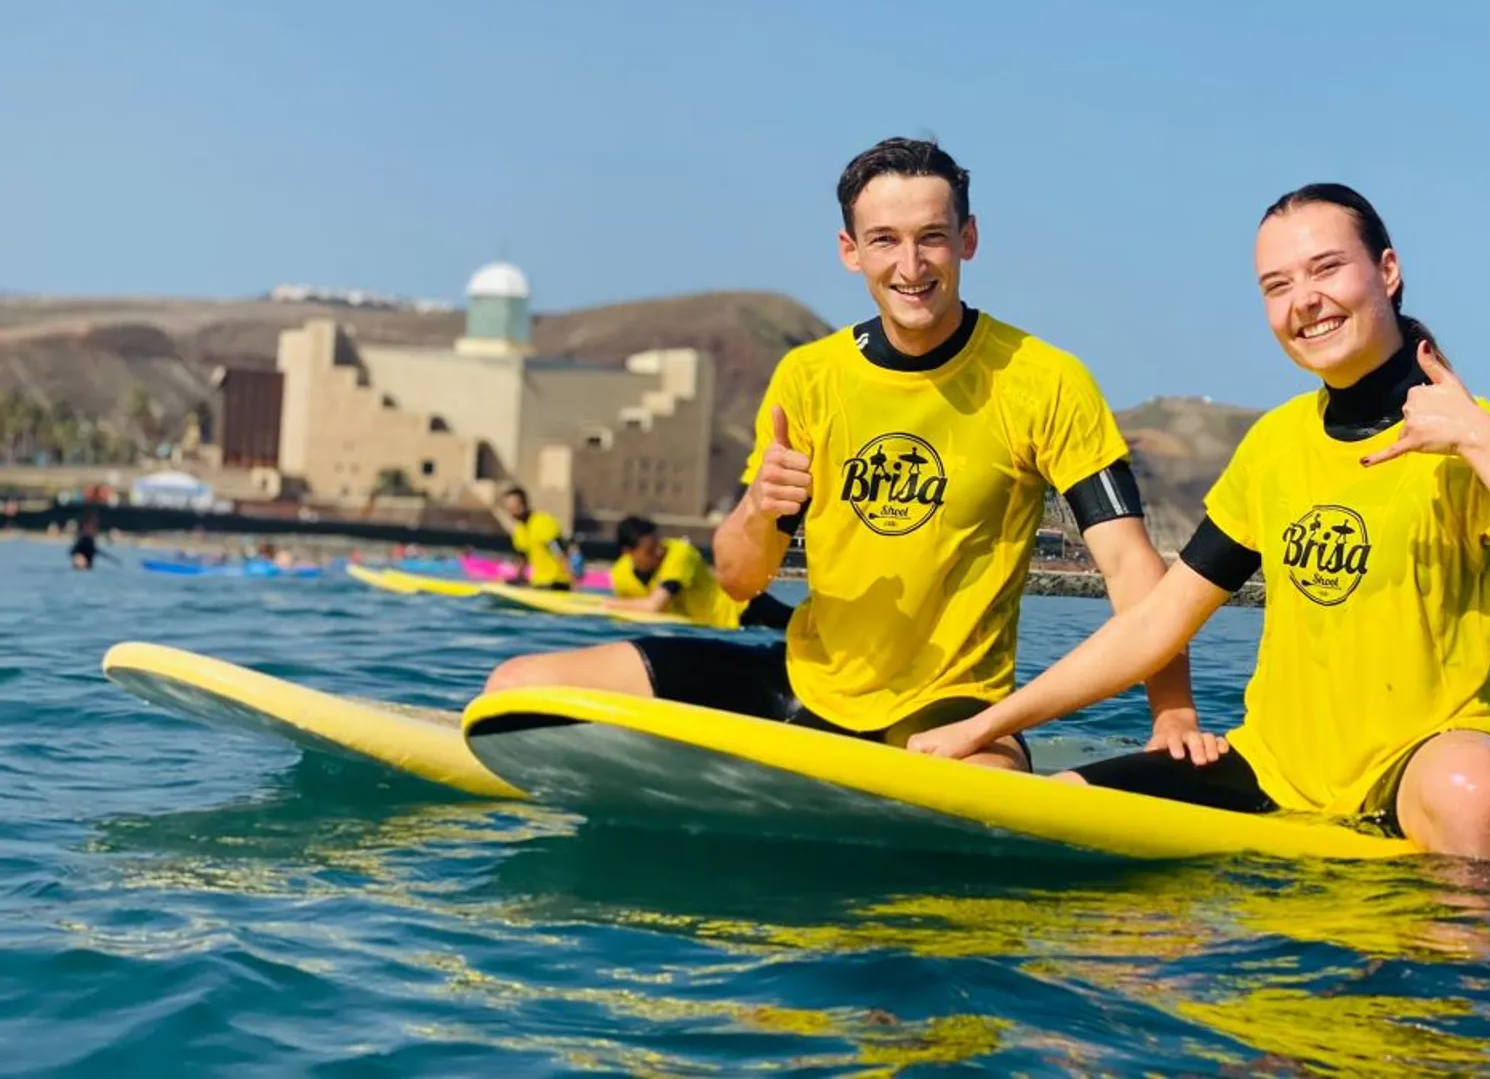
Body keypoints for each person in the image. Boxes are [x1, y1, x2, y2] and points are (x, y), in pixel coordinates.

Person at [908, 182, 1490, 862]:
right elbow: (1154, 624)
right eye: (1278, 285)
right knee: (1041, 814)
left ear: (1387, 271)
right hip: (1274, 769)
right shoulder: (1274, 447)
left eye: (1326, 269)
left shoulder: (1471, 441)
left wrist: (1482, 438)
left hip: (1421, 768)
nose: (1305, 301)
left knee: (1470, 791)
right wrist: (984, 727)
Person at [484, 137, 1207, 769]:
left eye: (931, 237)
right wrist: (760, 508)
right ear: (850, 251)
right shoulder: (809, 378)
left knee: (985, 789)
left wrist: (1171, 712)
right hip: (804, 685)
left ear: (968, 239)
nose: (911, 265)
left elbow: (1128, 565)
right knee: (517, 687)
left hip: (951, 708)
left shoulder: (1045, 381)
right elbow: (737, 578)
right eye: (884, 239)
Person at [605, 515, 793, 631]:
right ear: (628, 552)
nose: (659, 552)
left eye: (658, 544)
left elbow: (654, 605)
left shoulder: (679, 554)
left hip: (744, 611)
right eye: (650, 550)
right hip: (714, 626)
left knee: (801, 627)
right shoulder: (620, 574)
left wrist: (608, 604)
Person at [497, 486, 572, 590]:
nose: (512, 512)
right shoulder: (519, 531)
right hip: (538, 582)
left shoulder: (543, 522)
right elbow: (522, 557)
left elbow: (559, 551)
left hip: (557, 582)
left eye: (515, 507)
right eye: (509, 509)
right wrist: (516, 578)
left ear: (524, 504)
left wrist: (572, 582)